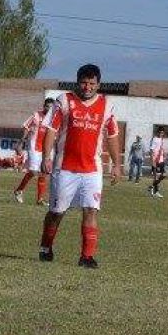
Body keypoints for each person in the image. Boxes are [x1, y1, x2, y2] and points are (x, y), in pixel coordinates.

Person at [38, 63, 121, 268]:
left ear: (98, 84)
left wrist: (117, 164)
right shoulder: (64, 101)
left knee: (91, 210)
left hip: (92, 169)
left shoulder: (106, 105)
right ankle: (45, 247)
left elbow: (112, 136)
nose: (87, 87)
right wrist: (46, 157)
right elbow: (50, 130)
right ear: (78, 82)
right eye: (84, 83)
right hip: (64, 168)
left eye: (92, 83)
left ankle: (86, 257)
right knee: (57, 212)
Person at [13, 98, 54, 205]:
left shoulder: (53, 118)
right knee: (35, 171)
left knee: (43, 172)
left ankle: (39, 199)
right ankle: (19, 190)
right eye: (47, 106)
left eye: (51, 107)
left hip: (46, 149)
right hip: (34, 147)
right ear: (44, 106)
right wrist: (21, 142)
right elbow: (26, 126)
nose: (48, 109)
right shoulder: (36, 115)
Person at [148, 128, 167, 197]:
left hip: (161, 160)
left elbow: (162, 148)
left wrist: (165, 155)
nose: (161, 134)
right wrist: (152, 161)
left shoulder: (162, 140)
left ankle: (152, 187)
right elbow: (151, 150)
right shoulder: (154, 139)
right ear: (157, 132)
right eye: (160, 132)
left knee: (163, 175)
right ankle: (155, 192)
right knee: (156, 177)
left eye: (162, 133)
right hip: (155, 159)